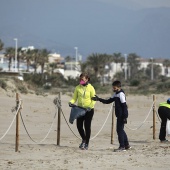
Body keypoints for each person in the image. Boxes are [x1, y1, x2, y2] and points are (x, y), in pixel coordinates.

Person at [92, 80, 130, 152]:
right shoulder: (116, 94)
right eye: (113, 88)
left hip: (122, 115)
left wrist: (125, 116)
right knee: (121, 130)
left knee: (119, 130)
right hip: (119, 115)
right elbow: (108, 101)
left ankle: (122, 146)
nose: (113, 89)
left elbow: (124, 106)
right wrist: (98, 99)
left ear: (118, 87)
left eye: (115, 88)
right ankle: (126, 145)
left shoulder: (121, 94)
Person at [69, 73, 96, 150]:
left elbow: (94, 99)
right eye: (80, 79)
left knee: (87, 126)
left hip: (89, 110)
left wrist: (90, 107)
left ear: (87, 79)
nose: (81, 81)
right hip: (80, 109)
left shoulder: (91, 88)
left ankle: (87, 143)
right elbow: (74, 98)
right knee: (79, 126)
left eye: (83, 79)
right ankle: (84, 139)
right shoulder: (77, 88)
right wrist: (71, 102)